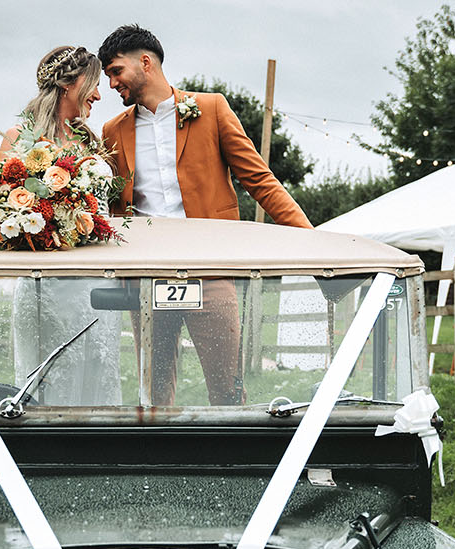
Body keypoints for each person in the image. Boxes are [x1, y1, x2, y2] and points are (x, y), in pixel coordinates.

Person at [97, 24, 311, 406]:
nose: (112, 84)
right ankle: (158, 460)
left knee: (227, 387)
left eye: (116, 71)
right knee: (153, 391)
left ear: (145, 62)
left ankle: (235, 462)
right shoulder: (112, 130)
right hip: (145, 276)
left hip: (211, 269)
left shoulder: (211, 109)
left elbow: (259, 180)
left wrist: (312, 239)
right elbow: (112, 206)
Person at [0, 45, 122, 406]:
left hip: (96, 289)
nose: (99, 94)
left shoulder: (91, 142)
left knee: (97, 380)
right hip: (44, 289)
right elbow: (6, 216)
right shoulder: (18, 140)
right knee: (43, 390)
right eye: (94, 84)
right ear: (70, 84)